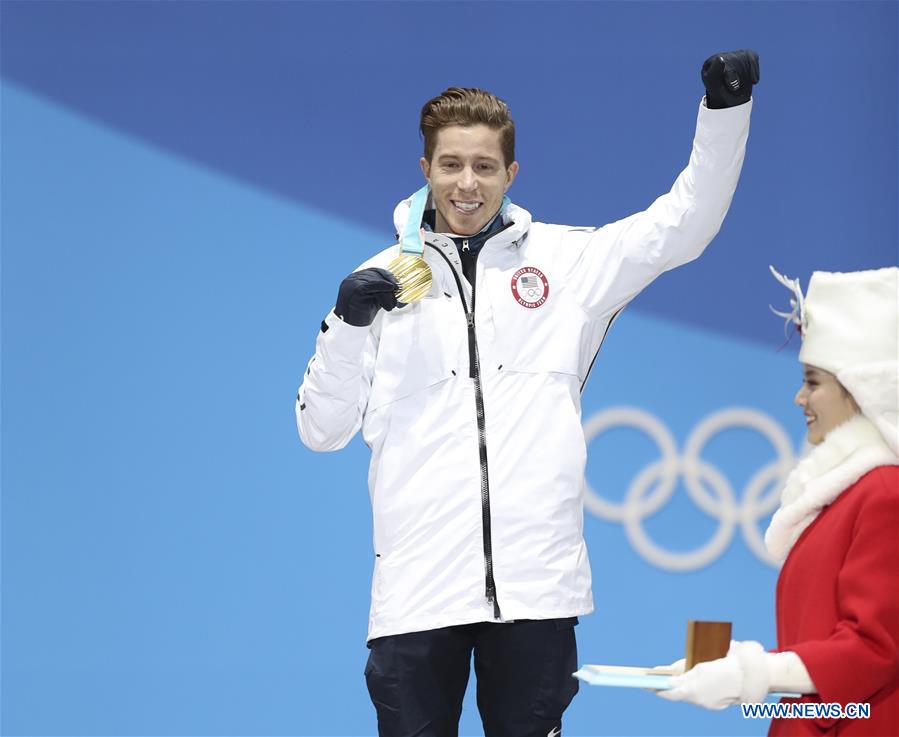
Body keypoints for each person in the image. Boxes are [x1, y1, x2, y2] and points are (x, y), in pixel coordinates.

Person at [296, 51, 759, 737]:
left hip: (536, 590)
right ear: (424, 171)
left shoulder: (568, 263)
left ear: (510, 175)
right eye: (450, 164)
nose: (466, 182)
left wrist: (725, 112)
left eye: (484, 166)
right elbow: (320, 428)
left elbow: (683, 224)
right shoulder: (378, 283)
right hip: (417, 596)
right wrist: (343, 325)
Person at [656, 266, 899, 736]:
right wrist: (736, 671)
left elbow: (875, 649)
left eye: (812, 381)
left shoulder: (884, 495)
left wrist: (753, 675)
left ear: (861, 389)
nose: (798, 397)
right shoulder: (847, 496)